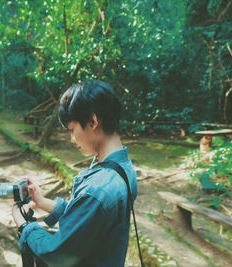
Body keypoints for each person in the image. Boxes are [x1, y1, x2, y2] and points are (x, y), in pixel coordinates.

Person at [12, 80, 138, 267]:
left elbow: (56, 253)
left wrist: (24, 225)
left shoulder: (97, 190)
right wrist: (42, 202)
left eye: (72, 130)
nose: (72, 139)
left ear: (93, 121)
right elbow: (87, 221)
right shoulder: (123, 169)